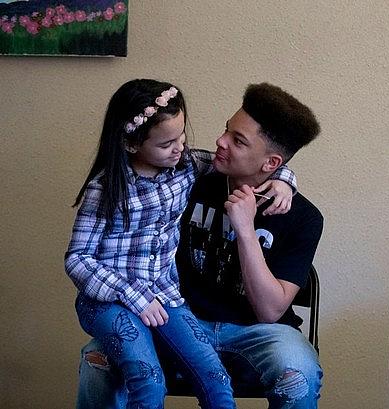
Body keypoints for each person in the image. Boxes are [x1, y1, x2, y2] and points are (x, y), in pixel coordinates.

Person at [75, 82, 324, 409]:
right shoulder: (184, 177)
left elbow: (270, 310)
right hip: (171, 314)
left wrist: (246, 229)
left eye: (237, 141)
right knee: (99, 358)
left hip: (258, 334)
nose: (220, 142)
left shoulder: (303, 217)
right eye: (226, 130)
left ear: (270, 162)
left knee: (299, 372)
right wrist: (285, 176)